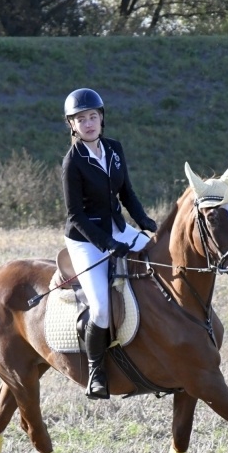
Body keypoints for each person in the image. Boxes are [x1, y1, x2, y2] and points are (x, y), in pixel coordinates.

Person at [61, 88, 157, 400]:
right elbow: (75, 215)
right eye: (80, 119)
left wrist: (144, 221)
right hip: (86, 239)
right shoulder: (72, 162)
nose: (88, 123)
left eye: (92, 116)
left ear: (102, 118)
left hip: (119, 228)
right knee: (100, 309)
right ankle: (96, 374)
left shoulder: (114, 149)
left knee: (158, 262)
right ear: (72, 125)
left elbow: (126, 193)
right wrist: (105, 244)